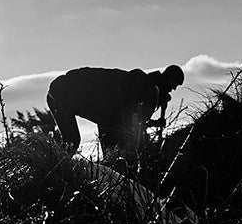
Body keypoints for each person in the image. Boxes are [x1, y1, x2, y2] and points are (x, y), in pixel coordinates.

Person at [46, 65, 184, 158]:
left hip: (62, 91)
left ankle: (54, 167)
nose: (174, 89)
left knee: (109, 148)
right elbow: (130, 124)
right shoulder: (146, 89)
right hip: (60, 94)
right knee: (72, 142)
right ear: (168, 80)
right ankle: (52, 171)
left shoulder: (140, 83)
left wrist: (153, 122)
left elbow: (131, 121)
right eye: (174, 85)